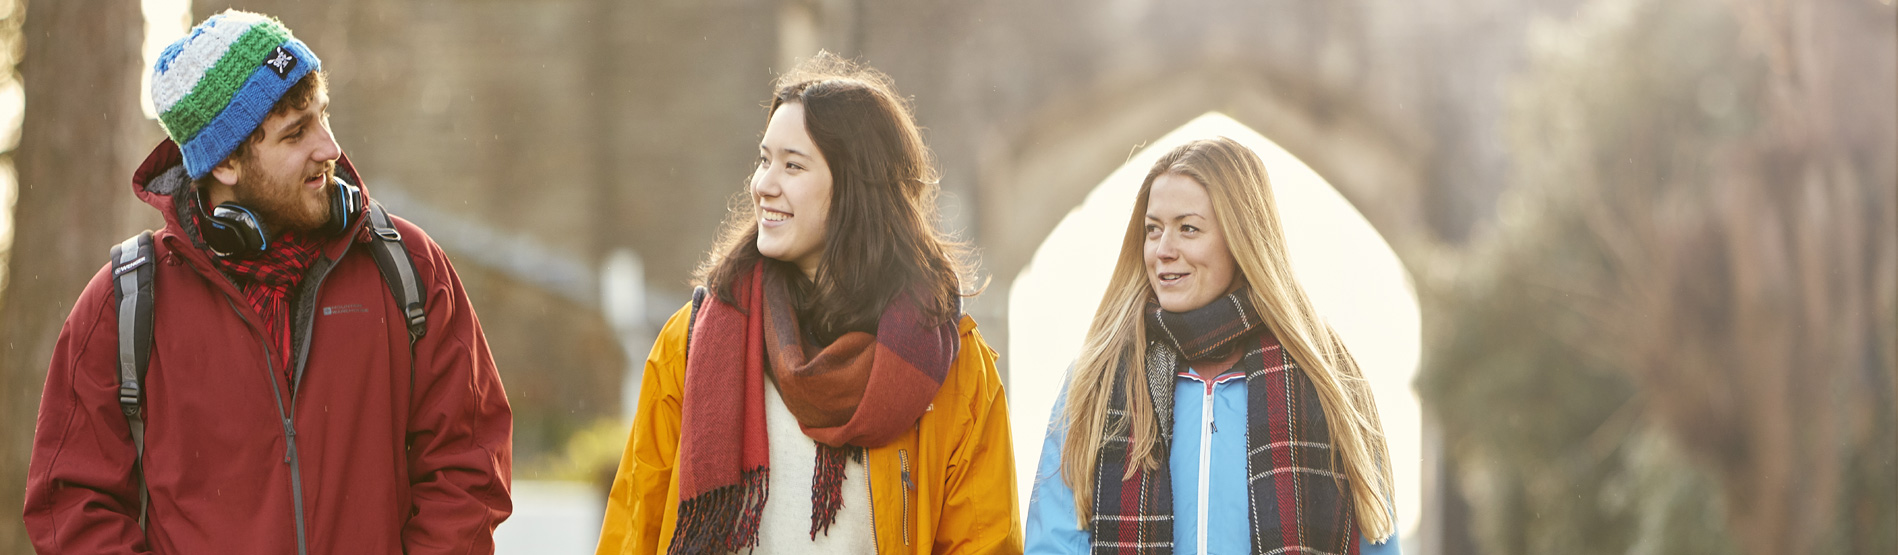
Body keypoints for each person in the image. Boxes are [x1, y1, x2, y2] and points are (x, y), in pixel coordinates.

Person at [23, 11, 512, 554]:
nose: (328, 148)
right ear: (227, 162)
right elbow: (72, 505)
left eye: (323, 116)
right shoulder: (123, 305)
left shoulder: (408, 268)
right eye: (295, 133)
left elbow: (469, 466)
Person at [595, 53, 1020, 554]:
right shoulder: (690, 344)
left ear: (858, 189)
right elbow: (634, 529)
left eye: (793, 165)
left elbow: (984, 542)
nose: (763, 184)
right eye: (763, 159)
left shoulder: (955, 372)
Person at [1024, 138, 1402, 555]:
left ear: (1241, 239)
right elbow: (1054, 543)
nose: (1163, 250)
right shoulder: (1096, 381)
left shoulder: (1328, 381)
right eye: (1153, 229)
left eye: (1188, 228)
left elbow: (1375, 538)